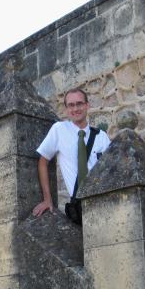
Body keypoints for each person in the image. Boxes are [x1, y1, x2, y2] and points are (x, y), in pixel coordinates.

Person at [32, 88, 110, 225]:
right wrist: (47, 199)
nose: (76, 108)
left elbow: (110, 169)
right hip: (79, 204)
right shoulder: (59, 129)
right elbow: (43, 162)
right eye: (71, 105)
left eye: (79, 103)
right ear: (67, 109)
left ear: (87, 105)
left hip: (104, 200)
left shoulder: (101, 136)